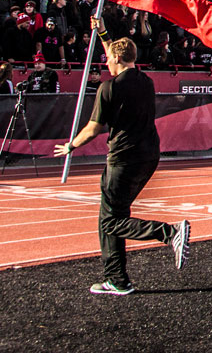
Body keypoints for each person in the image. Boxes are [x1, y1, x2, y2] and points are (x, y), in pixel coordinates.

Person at [52, 17, 191, 295]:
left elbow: (93, 128)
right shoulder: (145, 81)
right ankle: (116, 279)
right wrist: (103, 32)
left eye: (108, 57)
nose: (105, 61)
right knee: (114, 215)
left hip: (123, 159)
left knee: (110, 221)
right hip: (149, 156)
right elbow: (118, 55)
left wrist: (70, 146)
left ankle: (169, 233)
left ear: (115, 57)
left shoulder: (108, 88)